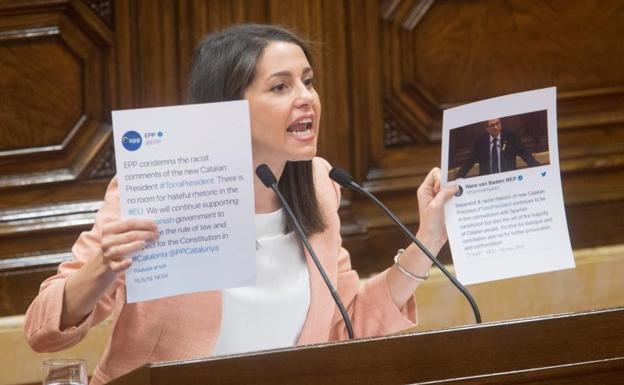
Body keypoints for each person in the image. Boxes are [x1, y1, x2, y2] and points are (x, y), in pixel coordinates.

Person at [24, 24, 457, 384]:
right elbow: (42, 332)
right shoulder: (154, 188)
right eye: (280, 86)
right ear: (227, 108)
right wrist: (103, 269)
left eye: (307, 81)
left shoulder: (321, 187)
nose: (306, 96)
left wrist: (429, 239)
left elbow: (347, 324)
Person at [456, 118, 539, 178]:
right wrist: (458, 178)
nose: (496, 127)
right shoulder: (480, 142)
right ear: (487, 129)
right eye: (492, 125)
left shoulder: (511, 137)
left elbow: (525, 155)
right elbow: (469, 161)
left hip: (509, 180)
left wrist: (538, 168)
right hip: (488, 183)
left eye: (498, 123)